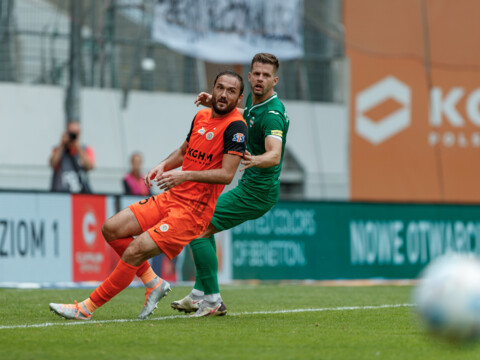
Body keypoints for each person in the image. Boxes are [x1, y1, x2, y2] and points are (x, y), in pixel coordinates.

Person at [49, 70, 247, 320]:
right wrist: (163, 166)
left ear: (239, 99)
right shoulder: (201, 116)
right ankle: (153, 282)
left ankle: (85, 308)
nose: (224, 94)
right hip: (172, 198)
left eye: (231, 91)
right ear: (213, 88)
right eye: (220, 87)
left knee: (134, 250)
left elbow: (227, 174)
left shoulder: (236, 127)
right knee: (111, 228)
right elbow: (184, 151)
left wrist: (184, 176)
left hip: (192, 211)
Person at [171, 53, 289, 317]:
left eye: (266, 75)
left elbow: (275, 154)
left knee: (197, 226)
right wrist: (214, 101)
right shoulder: (255, 102)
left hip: (258, 193)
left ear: (275, 80)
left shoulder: (272, 114)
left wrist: (256, 159)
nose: (260, 79)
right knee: (203, 225)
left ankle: (212, 300)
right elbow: (249, 116)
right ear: (249, 76)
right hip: (250, 188)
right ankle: (199, 295)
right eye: (256, 73)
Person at [49, 121, 95, 193]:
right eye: (70, 133)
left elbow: (89, 166)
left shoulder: (85, 149)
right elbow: (52, 163)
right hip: (60, 193)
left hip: (80, 194)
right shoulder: (59, 150)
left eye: (75, 134)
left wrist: (78, 148)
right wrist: (61, 144)